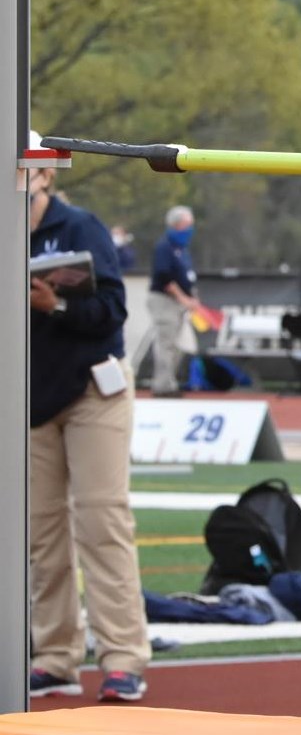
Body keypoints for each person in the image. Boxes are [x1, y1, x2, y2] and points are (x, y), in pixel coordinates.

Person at [25, 139, 150, 703]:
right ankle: (55, 655)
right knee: (39, 535)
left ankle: (123, 657)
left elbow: (113, 310)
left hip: (93, 388)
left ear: (45, 174)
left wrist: (56, 305)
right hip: (28, 398)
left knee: (102, 522)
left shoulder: (78, 228)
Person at [146, 205, 202, 397]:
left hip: (180, 302)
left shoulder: (182, 249)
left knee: (178, 345)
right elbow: (165, 277)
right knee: (166, 344)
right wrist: (183, 298)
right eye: (187, 224)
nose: (190, 229)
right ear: (177, 224)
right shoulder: (164, 247)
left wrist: (192, 298)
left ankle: (170, 381)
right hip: (165, 301)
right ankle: (163, 386)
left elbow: (186, 276)